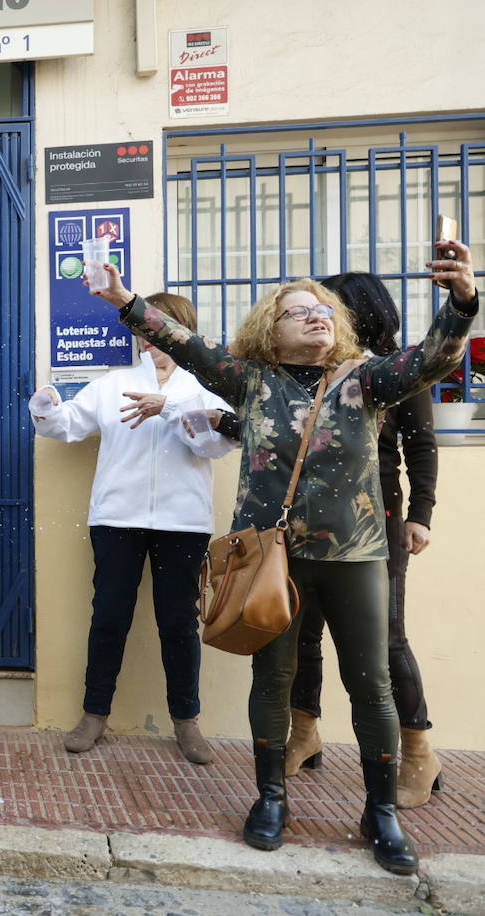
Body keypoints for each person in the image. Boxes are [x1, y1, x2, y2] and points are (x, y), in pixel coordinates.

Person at [94, 240, 477, 875]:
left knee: (371, 685)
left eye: (324, 309)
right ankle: (271, 796)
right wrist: (126, 301)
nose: (317, 315)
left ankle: (379, 811)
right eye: (298, 310)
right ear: (270, 328)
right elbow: (188, 346)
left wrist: (462, 299)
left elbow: (432, 357)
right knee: (272, 680)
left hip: (355, 558)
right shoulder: (250, 381)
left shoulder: (366, 380)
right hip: (270, 558)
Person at [31, 292, 236, 764]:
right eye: (147, 331)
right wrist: (44, 408)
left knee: (179, 622)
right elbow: (66, 427)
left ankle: (187, 721)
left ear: (184, 333)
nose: (152, 342)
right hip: (117, 519)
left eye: (163, 331)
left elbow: (213, 449)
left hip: (183, 523)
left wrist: (167, 408)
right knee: (108, 618)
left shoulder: (205, 388)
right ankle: (94, 714)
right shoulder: (113, 384)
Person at [286, 272, 442, 808]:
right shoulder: (317, 372)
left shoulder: (394, 371)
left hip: (378, 520)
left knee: (386, 638)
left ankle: (419, 750)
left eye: (331, 307)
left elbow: (421, 448)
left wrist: (420, 515)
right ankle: (304, 734)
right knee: (302, 630)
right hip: (309, 522)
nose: (320, 316)